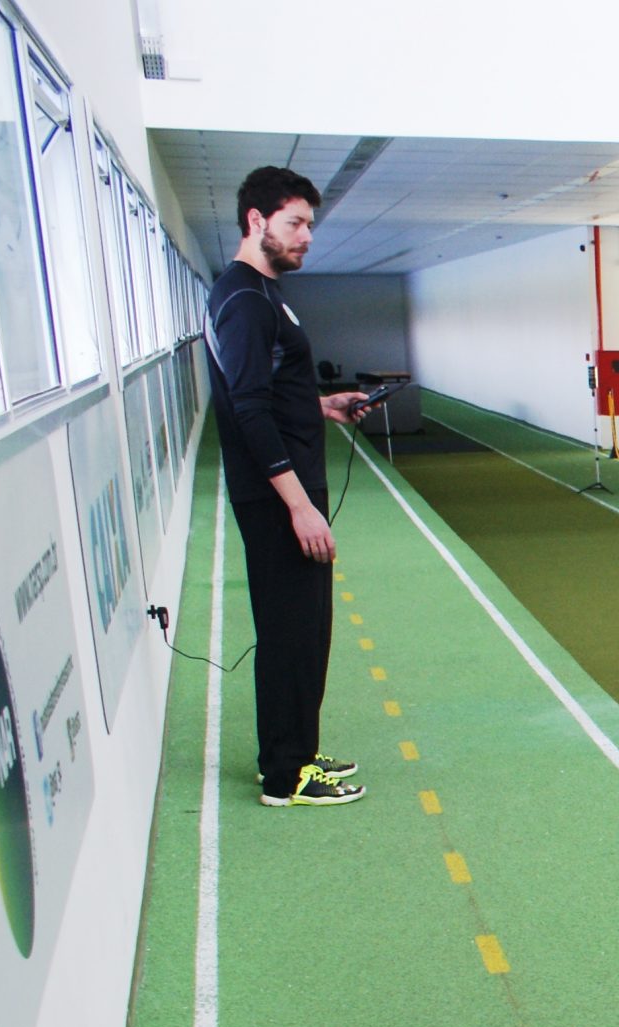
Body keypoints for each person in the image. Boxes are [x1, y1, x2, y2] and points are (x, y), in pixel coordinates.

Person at [205, 166, 374, 808]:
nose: (307, 237)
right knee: (294, 632)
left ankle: (290, 751)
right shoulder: (246, 299)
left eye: (310, 224)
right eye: (295, 223)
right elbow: (248, 409)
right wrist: (300, 508)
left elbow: (270, 393)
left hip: (285, 493)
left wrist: (323, 405)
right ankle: (288, 775)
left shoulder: (261, 292)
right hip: (280, 502)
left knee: (299, 630)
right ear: (257, 221)